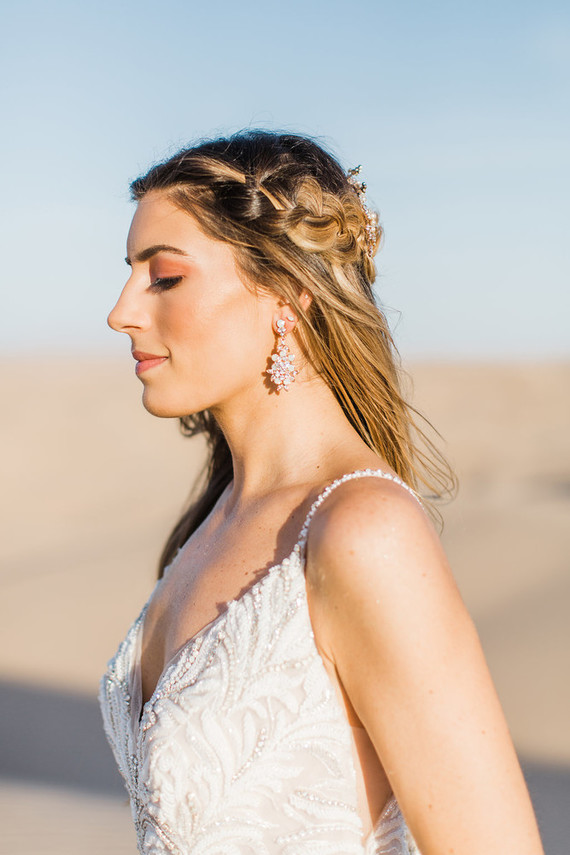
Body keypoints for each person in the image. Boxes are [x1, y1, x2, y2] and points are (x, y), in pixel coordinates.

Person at [99, 130, 544, 855]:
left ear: (286, 293)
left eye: (165, 277)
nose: (122, 312)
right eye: (129, 273)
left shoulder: (364, 531)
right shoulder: (210, 525)